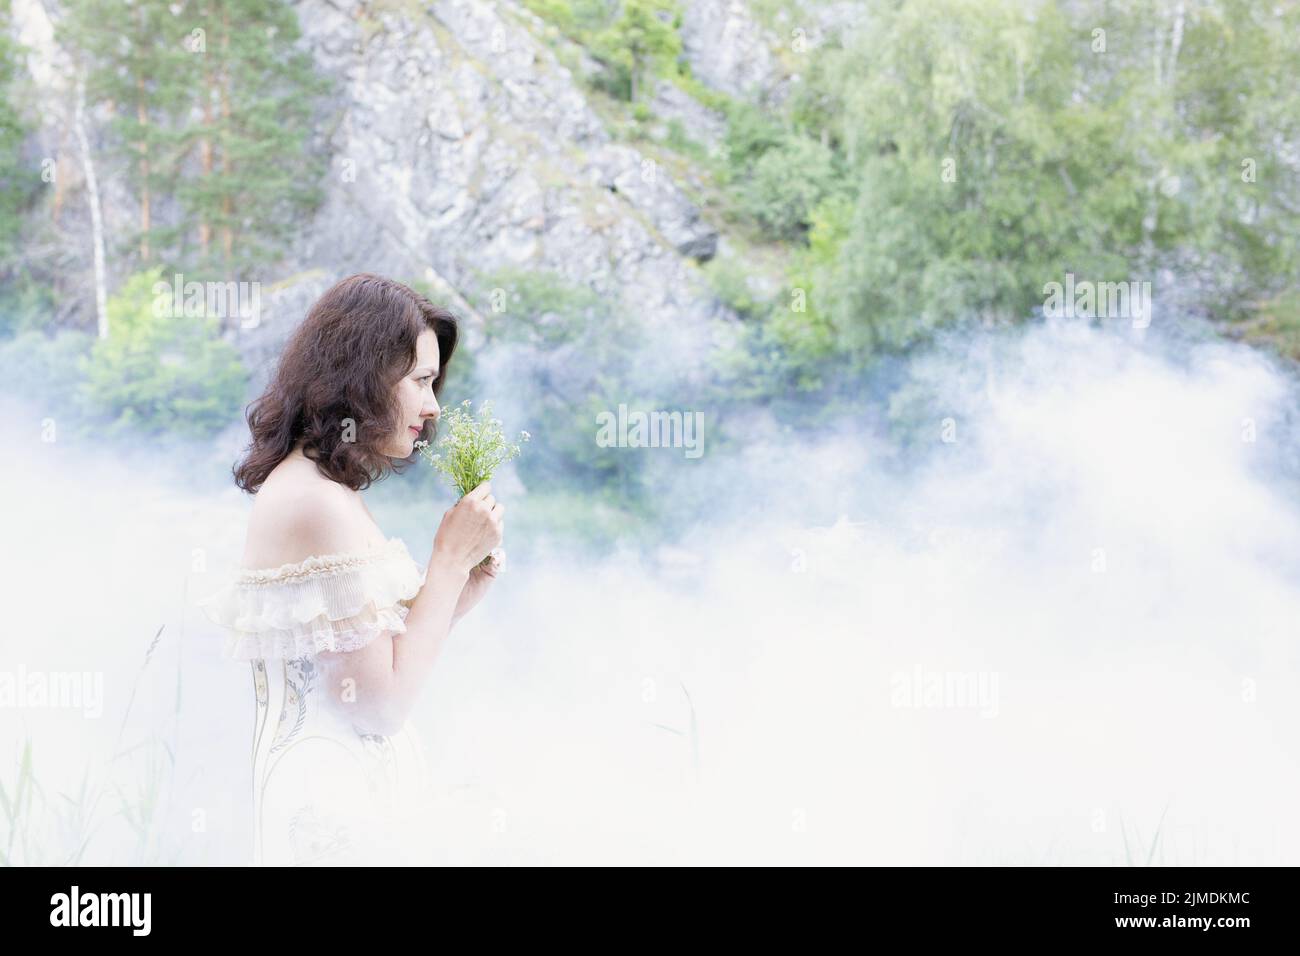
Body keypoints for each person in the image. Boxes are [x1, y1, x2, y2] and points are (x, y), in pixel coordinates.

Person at [197, 273, 504, 865]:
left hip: (340, 795)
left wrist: (460, 585)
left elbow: (373, 658)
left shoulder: (322, 487)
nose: (433, 405)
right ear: (362, 376)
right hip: (331, 808)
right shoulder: (316, 501)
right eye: (420, 381)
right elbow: (378, 708)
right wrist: (444, 559)